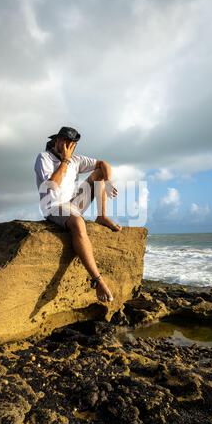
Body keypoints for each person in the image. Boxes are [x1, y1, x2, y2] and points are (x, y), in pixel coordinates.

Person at [34, 126, 122, 303]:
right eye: (64, 141)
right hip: (53, 205)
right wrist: (65, 162)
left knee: (99, 173)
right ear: (57, 140)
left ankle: (102, 216)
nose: (68, 146)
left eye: (72, 143)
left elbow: (103, 164)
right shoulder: (44, 158)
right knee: (78, 223)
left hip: (73, 204)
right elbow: (52, 187)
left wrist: (109, 181)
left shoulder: (76, 160)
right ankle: (98, 280)